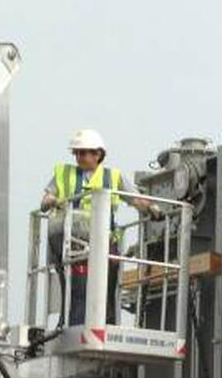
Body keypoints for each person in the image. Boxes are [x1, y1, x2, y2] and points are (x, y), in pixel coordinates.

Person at [39, 128, 159, 325]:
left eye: (84, 153)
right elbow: (46, 199)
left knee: (107, 288)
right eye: (77, 153)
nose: (79, 157)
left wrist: (152, 208)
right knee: (78, 289)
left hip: (103, 243)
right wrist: (50, 200)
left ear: (98, 154)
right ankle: (74, 325)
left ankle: (105, 325)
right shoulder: (64, 173)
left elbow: (136, 199)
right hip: (73, 244)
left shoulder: (113, 177)